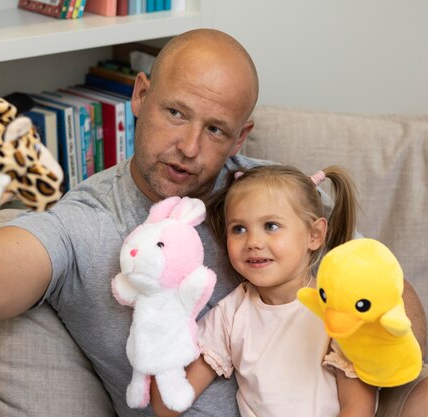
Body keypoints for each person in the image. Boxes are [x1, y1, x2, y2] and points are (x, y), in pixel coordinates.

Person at [0, 29, 427, 416]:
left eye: (216, 130)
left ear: (241, 138)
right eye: (175, 113)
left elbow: (383, 288)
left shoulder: (272, 197)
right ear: (141, 96)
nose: (190, 148)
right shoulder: (85, 223)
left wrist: (387, 357)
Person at [151, 164, 378, 417]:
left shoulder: (338, 310)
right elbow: (168, 406)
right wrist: (159, 321)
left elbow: (358, 409)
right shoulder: (230, 315)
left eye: (271, 226)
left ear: (314, 234)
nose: (253, 243)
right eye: (239, 229)